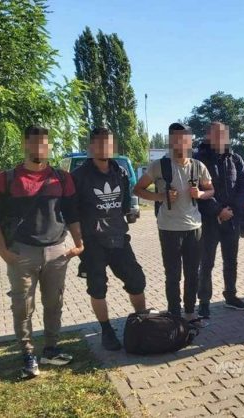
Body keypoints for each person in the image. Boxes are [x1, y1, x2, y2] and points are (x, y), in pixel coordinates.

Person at [0, 125, 83, 378]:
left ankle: (51, 349)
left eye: (44, 143)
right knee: (22, 307)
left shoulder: (62, 178)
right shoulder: (7, 178)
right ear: (25, 145)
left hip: (56, 251)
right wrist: (3, 252)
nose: (39, 147)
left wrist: (79, 243)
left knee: (54, 303)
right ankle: (28, 354)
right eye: (34, 142)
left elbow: (72, 214)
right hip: (22, 252)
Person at [72, 127, 147, 351]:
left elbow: (124, 206)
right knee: (97, 287)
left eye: (109, 143)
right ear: (91, 147)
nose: (105, 147)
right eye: (99, 143)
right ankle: (106, 331)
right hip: (92, 241)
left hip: (118, 238)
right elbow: (72, 211)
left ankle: (142, 322)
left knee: (136, 280)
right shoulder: (79, 176)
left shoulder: (120, 172)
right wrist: (79, 241)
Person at [134, 123, 214, 324]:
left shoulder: (198, 166)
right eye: (176, 139)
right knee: (173, 275)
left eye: (184, 139)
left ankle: (190, 312)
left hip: (194, 228)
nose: (181, 143)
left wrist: (200, 194)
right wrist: (161, 196)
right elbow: (138, 189)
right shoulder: (159, 166)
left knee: (192, 274)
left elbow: (211, 190)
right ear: (170, 141)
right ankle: (174, 314)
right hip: (168, 228)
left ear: (190, 141)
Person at [194, 122, 244, 316]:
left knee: (231, 261)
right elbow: (197, 190)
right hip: (209, 220)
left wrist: (232, 210)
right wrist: (218, 211)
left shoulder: (235, 158)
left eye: (223, 134)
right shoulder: (198, 160)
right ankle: (204, 302)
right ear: (208, 136)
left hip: (232, 220)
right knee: (206, 262)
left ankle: (231, 296)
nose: (220, 137)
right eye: (216, 134)